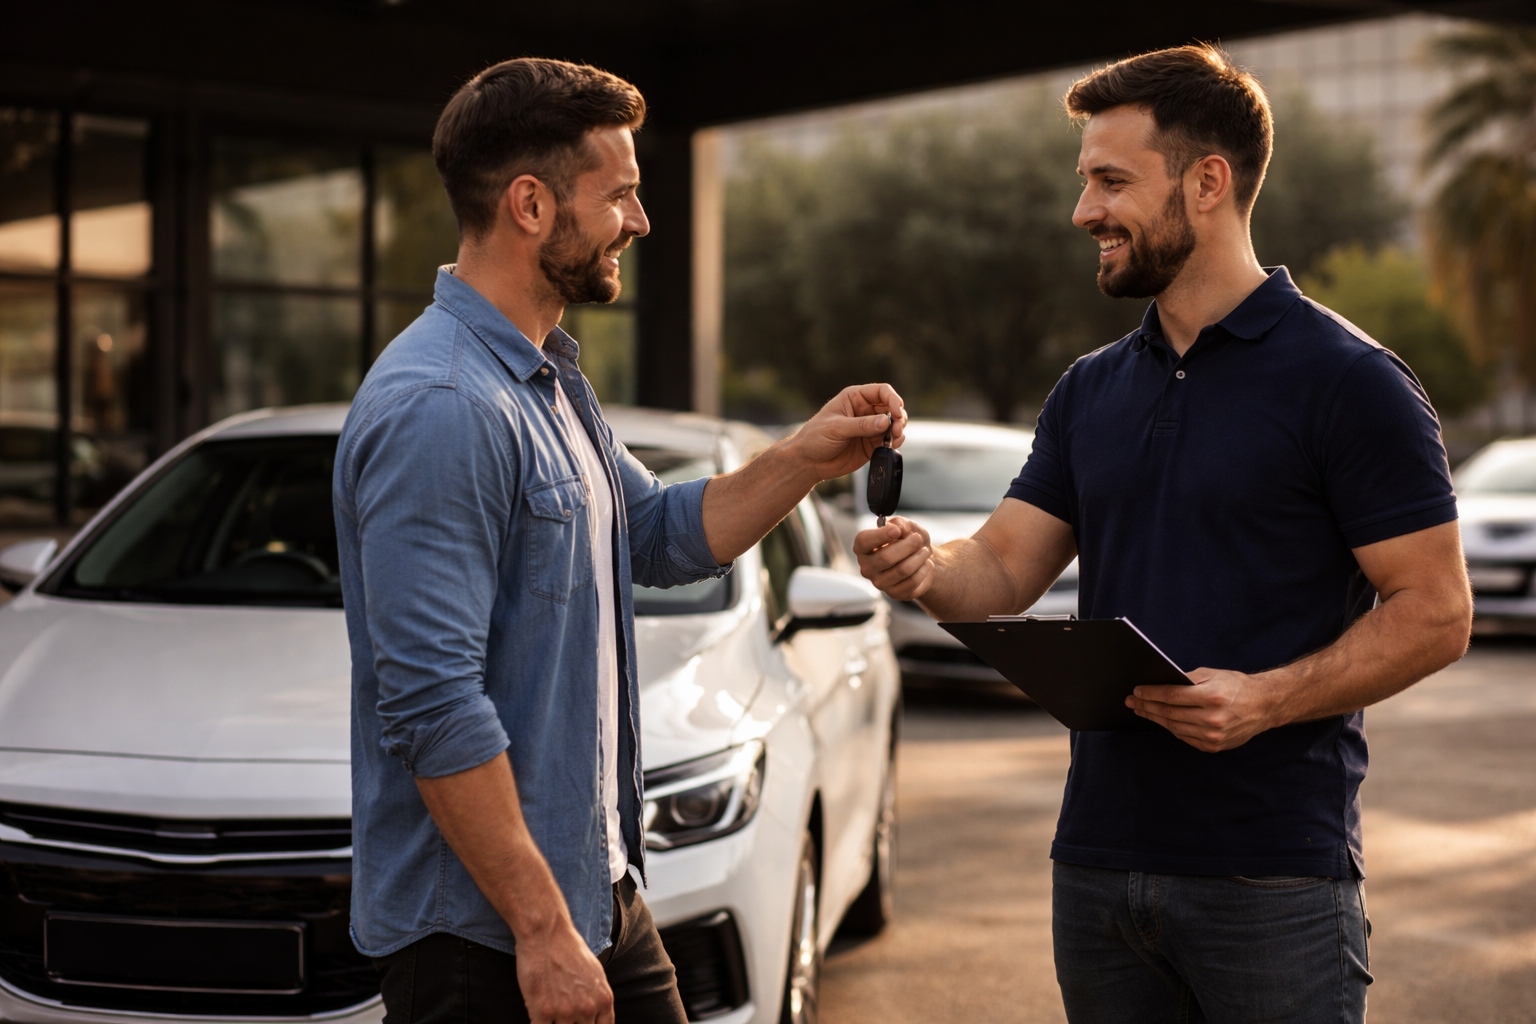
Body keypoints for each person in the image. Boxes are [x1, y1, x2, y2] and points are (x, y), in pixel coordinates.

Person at [855, 44, 1472, 1024]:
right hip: (1098, 865)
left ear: (1208, 182)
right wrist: (926, 567)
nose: (1083, 212)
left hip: (1272, 877)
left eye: (1111, 181)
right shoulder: (1091, 389)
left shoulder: (1351, 381)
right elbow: (1006, 565)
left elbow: (1437, 612)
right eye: (1084, 181)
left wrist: (1267, 700)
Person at [334, 57, 905, 1024]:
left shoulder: (548, 380)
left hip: (596, 889)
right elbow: (432, 703)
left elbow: (656, 536)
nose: (640, 221)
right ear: (529, 204)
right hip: (485, 942)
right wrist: (543, 932)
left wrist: (808, 455)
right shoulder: (442, 406)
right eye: (621, 195)